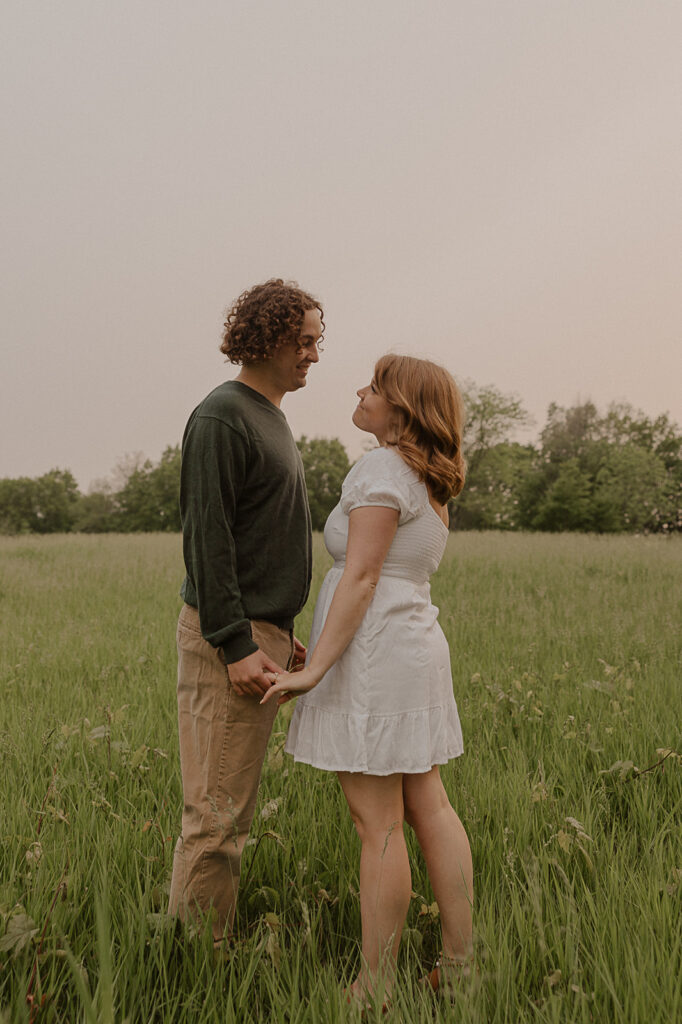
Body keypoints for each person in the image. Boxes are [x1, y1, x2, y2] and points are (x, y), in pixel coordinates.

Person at [262, 353, 473, 1004]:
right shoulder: (427, 477)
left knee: (377, 823)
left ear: (402, 408)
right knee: (428, 806)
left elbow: (360, 577)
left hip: (378, 658)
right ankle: (464, 968)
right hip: (409, 650)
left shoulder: (382, 467)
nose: (361, 391)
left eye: (375, 387)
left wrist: (315, 669)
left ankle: (375, 985)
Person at [168, 278, 324, 946]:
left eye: (319, 340)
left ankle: (199, 949)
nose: (315, 354)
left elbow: (262, 533)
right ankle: (198, 970)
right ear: (268, 335)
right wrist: (235, 643)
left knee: (228, 813)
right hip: (228, 640)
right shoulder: (221, 416)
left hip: (263, 633)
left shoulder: (270, 414)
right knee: (215, 818)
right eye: (306, 339)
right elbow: (208, 539)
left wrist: (280, 634)